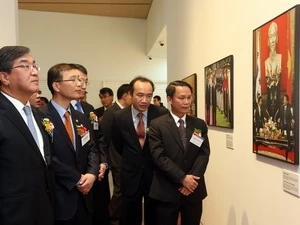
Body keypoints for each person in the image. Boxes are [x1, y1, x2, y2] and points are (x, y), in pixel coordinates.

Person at [0, 46, 54, 225]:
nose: (35, 72)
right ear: (4, 77)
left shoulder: (38, 115)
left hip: (43, 210)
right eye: (25, 66)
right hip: (11, 214)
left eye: (35, 66)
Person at [44, 63, 100, 225]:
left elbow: (92, 148)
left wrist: (91, 174)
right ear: (56, 85)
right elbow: (47, 156)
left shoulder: (81, 117)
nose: (81, 84)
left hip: (86, 194)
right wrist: (76, 179)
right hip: (59, 195)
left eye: (82, 80)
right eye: (74, 80)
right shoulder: (41, 116)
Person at [149, 80, 210, 225]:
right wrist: (182, 178)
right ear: (170, 99)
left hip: (193, 190)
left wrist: (192, 181)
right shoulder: (157, 125)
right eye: (181, 98)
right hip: (167, 190)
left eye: (189, 98)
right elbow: (159, 156)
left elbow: (203, 153)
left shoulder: (199, 124)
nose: (186, 102)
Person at [111, 76, 168, 225]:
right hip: (130, 174)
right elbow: (117, 144)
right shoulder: (119, 117)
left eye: (149, 96)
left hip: (155, 174)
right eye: (140, 95)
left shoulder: (161, 114)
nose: (144, 100)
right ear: (130, 94)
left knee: (154, 215)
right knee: (130, 215)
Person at [69, 64, 110, 225]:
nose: (82, 85)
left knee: (98, 212)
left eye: (85, 81)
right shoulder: (57, 112)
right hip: (75, 176)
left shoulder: (89, 108)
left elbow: (99, 138)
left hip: (96, 171)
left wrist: (103, 163)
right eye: (78, 80)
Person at [100, 83, 132, 225]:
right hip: (116, 158)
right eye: (133, 95)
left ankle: (122, 215)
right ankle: (113, 217)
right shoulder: (111, 112)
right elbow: (105, 138)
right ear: (126, 96)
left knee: (124, 188)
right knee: (119, 189)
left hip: (125, 157)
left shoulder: (126, 111)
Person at [265, 21, 282, 118]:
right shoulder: (266, 62)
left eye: (274, 35)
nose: (272, 40)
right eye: (270, 36)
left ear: (277, 38)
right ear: (268, 40)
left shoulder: (280, 58)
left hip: (276, 92)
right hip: (270, 93)